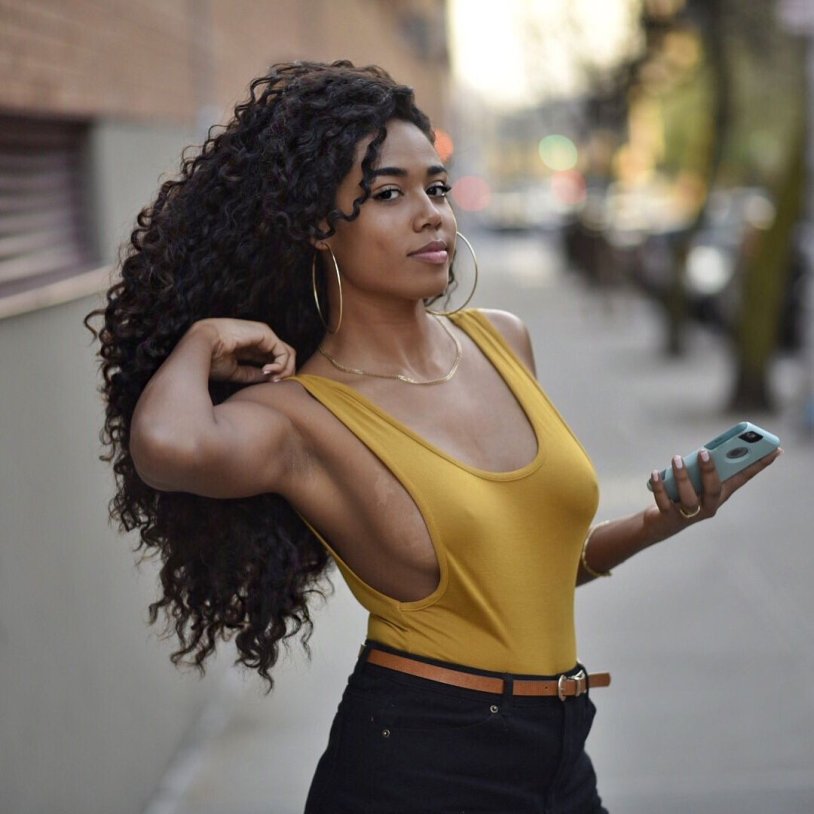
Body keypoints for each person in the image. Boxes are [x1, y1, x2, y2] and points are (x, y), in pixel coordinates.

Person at [88, 60, 780, 813]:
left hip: (558, 754)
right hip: (419, 762)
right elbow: (167, 447)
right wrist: (204, 340)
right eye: (389, 193)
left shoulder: (501, 342)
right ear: (319, 226)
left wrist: (661, 521)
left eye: (438, 188)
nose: (432, 215)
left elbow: (536, 566)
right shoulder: (302, 416)